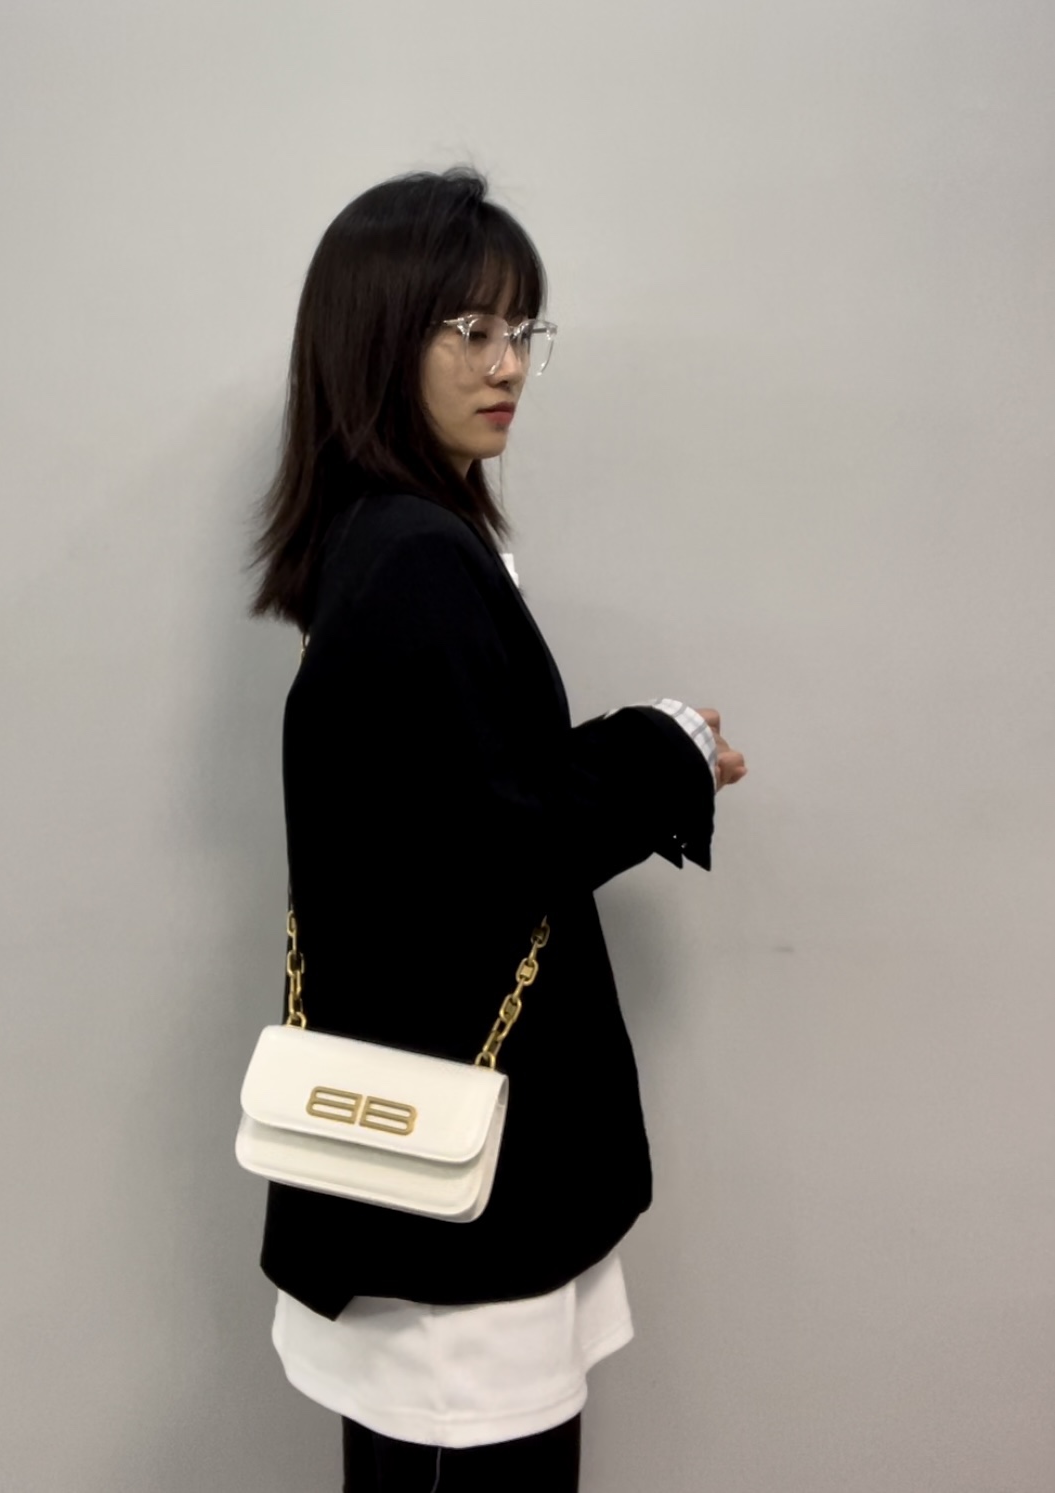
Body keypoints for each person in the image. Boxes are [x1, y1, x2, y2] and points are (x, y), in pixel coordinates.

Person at [247, 166, 748, 1493]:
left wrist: (644, 743)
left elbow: (451, 803)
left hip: (414, 1163)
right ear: (376, 339)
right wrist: (665, 751)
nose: (507, 363)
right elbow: (496, 845)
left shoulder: (372, 538)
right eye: (468, 328)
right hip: (462, 1186)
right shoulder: (416, 553)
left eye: (521, 328)